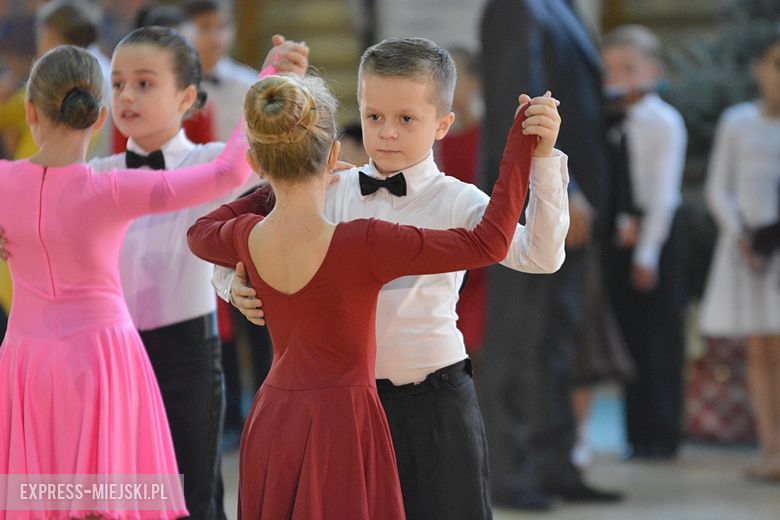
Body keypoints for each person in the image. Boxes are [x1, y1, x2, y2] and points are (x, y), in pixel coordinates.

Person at [219, 37, 570, 520]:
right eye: (373, 116)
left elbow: (541, 256)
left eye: (406, 119)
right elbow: (241, 236)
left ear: (443, 124)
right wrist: (231, 286)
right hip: (345, 412)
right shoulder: (329, 189)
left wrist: (545, 163)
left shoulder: (458, 201)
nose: (385, 133)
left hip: (436, 404)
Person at [0, 44, 252, 518]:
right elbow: (229, 171)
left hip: (25, 361)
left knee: (35, 502)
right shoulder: (107, 188)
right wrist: (269, 78)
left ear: (30, 111)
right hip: (101, 358)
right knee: (113, 503)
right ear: (99, 119)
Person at [87, 26, 308, 519]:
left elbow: (274, 153)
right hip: (112, 354)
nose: (126, 95)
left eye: (144, 83)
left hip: (187, 354)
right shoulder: (98, 173)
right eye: (118, 83)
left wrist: (278, 83)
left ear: (187, 96)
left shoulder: (214, 164)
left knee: (193, 493)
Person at [477, 0, 621, 510]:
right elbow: (519, 104)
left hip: (568, 201)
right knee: (521, 338)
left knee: (558, 339)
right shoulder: (515, 7)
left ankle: (555, 463)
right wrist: (566, 188)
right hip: (535, 198)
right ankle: (511, 470)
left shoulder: (558, 7)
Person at [599, 24, 688, 460]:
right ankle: (637, 435)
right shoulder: (611, 121)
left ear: (652, 70)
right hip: (620, 237)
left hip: (657, 241)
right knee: (630, 339)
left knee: (659, 337)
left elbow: (662, 191)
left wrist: (648, 252)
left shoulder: (663, 121)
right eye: (611, 70)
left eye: (629, 69)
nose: (619, 79)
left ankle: (663, 433)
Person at [699, 28, 780, 481]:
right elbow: (718, 188)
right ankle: (770, 448)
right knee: (760, 350)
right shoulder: (738, 122)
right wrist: (742, 235)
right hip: (748, 252)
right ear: (760, 70)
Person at [435, 46, 487, 354]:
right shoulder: (432, 138)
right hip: (453, 250)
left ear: (475, 81)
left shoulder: (491, 135)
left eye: (452, 78)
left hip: (490, 252)